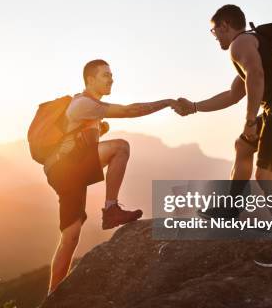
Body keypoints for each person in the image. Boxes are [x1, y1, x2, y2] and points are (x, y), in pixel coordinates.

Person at [174, 5, 272, 267]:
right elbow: (233, 94)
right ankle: (230, 209)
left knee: (266, 176)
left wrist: (250, 121)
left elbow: (256, 76)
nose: (215, 36)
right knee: (243, 146)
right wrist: (194, 107)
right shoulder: (256, 44)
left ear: (225, 26)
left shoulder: (239, 44)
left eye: (214, 30)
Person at [46, 59, 180, 294]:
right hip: (67, 167)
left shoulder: (89, 107)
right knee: (121, 147)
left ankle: (52, 295)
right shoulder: (82, 104)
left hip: (66, 171)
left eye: (111, 75)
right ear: (90, 80)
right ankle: (111, 209)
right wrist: (167, 102)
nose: (111, 79)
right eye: (105, 75)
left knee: (71, 236)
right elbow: (131, 110)